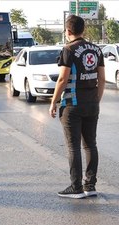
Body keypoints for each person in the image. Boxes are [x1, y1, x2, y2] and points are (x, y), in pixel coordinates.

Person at [49, 15, 105, 199]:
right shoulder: (96, 50)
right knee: (90, 145)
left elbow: (63, 79)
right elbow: (102, 79)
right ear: (83, 30)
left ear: (68, 31)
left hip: (72, 105)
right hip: (92, 104)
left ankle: (76, 187)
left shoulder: (68, 49)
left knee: (73, 147)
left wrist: (53, 102)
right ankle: (90, 185)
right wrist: (96, 100)